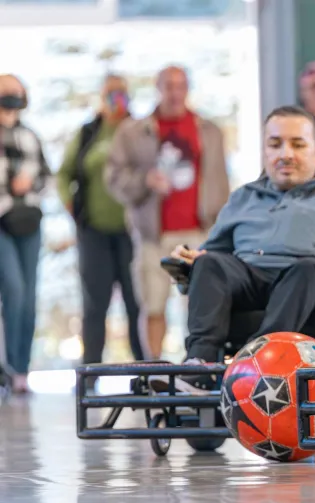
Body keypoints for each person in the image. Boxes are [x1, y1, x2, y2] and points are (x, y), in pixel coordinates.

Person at [149, 105, 315, 394]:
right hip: (253, 280)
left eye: (298, 144)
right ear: (265, 152)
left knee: (307, 269)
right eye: (275, 144)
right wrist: (191, 264)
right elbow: (211, 260)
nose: (285, 153)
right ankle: (199, 368)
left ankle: (257, 367)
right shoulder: (243, 198)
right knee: (210, 263)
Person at [106, 65, 231, 360]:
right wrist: (145, 180)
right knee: (152, 305)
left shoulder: (208, 131)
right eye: (168, 85)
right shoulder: (134, 131)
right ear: (158, 87)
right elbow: (114, 178)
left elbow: (220, 180)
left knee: (201, 307)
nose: (175, 92)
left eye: (180, 85)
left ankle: (197, 366)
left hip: (200, 232)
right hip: (154, 233)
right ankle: (154, 368)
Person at [57, 74, 145, 366]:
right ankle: (91, 369)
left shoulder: (140, 131)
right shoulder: (88, 133)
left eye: (121, 92)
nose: (116, 99)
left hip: (133, 233)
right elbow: (64, 173)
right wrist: (69, 203)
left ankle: (145, 368)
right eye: (110, 93)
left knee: (137, 303)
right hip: (94, 232)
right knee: (95, 305)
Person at [0, 74, 52, 393]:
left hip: (29, 221)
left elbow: (46, 175)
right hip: (2, 220)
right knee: (14, 291)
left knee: (29, 296)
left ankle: (21, 370)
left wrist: (29, 183)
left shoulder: (30, 136)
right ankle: (7, 366)